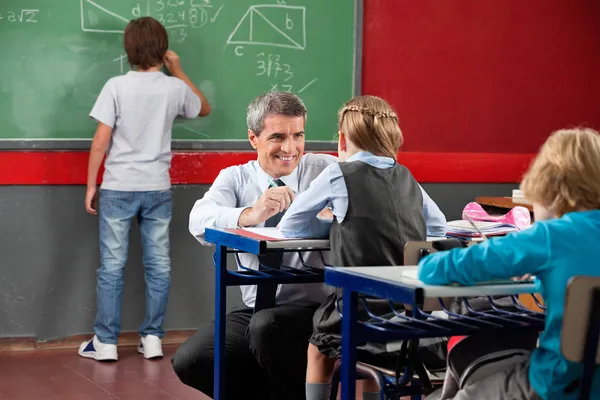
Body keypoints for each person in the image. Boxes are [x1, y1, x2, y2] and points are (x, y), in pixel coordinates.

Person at [278, 95, 447, 400]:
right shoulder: (407, 176)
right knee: (371, 355)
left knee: (318, 350)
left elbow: (290, 226)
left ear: (342, 139)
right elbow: (438, 227)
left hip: (357, 307)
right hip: (408, 308)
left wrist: (336, 223)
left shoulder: (337, 174)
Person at [172, 91, 338, 400]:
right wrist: (250, 214)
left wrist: (337, 215)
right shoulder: (235, 178)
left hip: (315, 308)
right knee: (192, 360)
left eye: (298, 135)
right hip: (257, 307)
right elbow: (198, 219)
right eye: (277, 137)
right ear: (253, 138)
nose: (290, 148)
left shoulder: (327, 171)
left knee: (267, 329)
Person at [417, 127, 600, 400]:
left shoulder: (550, 236)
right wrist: (545, 277)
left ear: (548, 184)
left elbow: (438, 269)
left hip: (556, 385)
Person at [79, 16, 211, 362]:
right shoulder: (173, 88)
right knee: (159, 266)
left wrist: (91, 184)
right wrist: (178, 70)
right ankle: (152, 337)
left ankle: (105, 342)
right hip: (157, 188)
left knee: (112, 265)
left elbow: (100, 141)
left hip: (119, 186)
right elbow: (203, 108)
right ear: (163, 50)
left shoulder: (116, 86)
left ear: (129, 50)